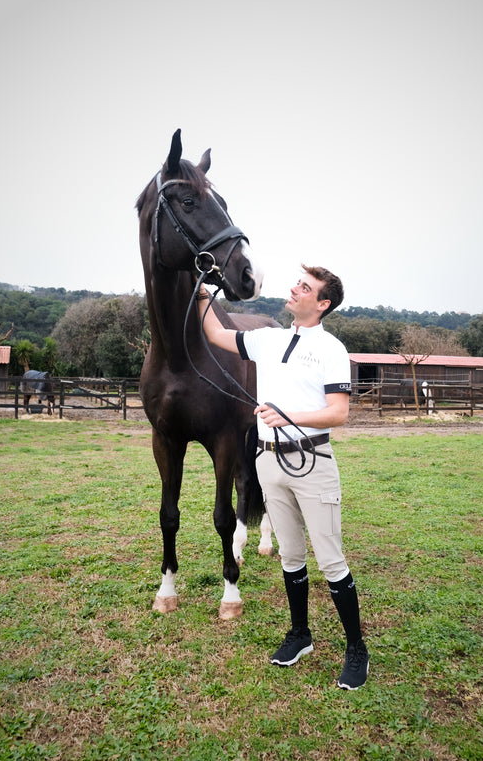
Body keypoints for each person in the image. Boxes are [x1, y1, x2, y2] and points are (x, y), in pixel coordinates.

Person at [197, 264, 369, 690]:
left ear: (322, 303)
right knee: (291, 556)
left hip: (312, 461)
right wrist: (200, 293)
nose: (294, 288)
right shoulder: (268, 339)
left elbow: (339, 413)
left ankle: (356, 650)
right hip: (268, 461)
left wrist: (289, 416)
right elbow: (218, 335)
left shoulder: (331, 348)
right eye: (297, 282)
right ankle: (300, 635)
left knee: (331, 562)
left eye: (305, 287)